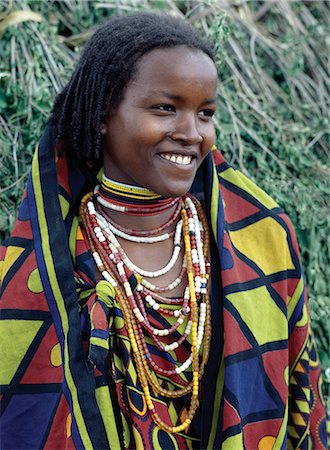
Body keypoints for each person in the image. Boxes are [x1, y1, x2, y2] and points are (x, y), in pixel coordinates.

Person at [0, 12, 328, 450]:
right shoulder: (44, 266)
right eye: (165, 108)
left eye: (206, 113)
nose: (192, 134)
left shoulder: (260, 238)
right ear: (102, 114)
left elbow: (300, 391)